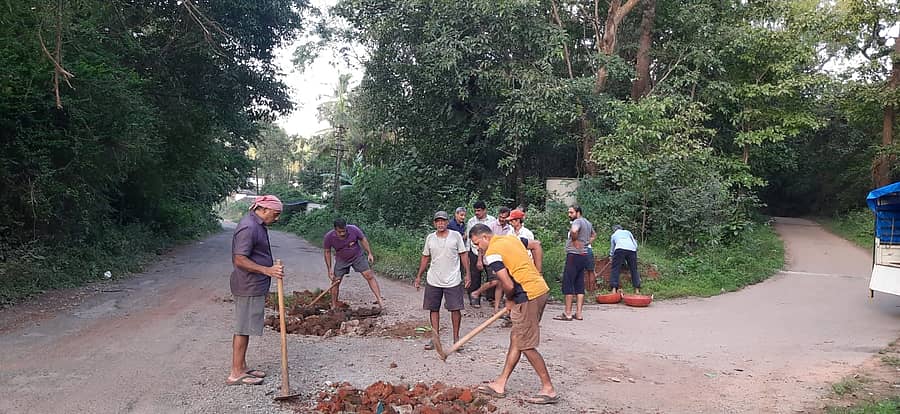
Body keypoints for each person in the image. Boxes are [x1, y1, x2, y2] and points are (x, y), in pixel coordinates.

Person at [469, 224, 558, 405]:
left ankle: (548, 389)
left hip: (527, 296)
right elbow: (537, 245)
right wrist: (538, 272)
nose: (478, 248)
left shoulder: (492, 253)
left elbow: (508, 285)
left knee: (525, 344)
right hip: (539, 290)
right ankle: (500, 384)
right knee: (517, 338)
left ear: (485, 237)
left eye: (477, 243)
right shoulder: (511, 238)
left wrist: (510, 299)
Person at [227, 195, 285, 386]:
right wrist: (267, 270)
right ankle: (236, 373)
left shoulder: (257, 224)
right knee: (243, 328)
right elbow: (239, 259)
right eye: (275, 214)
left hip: (254, 284)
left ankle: (242, 366)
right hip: (248, 284)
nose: (276, 219)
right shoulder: (249, 227)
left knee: (247, 327)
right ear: (264, 209)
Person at [413, 211, 471, 350]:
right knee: (433, 309)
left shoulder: (455, 236)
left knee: (455, 309)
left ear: (447, 222)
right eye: (437, 221)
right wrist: (419, 276)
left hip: (453, 279)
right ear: (434, 223)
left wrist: (468, 273)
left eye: (443, 221)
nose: (440, 223)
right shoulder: (430, 238)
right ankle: (435, 338)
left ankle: (456, 339)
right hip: (434, 279)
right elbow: (425, 257)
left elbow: (463, 255)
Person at [323, 218, 384, 309]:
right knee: (336, 281)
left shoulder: (353, 229)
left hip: (357, 256)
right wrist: (329, 269)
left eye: (344, 231)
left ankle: (380, 300)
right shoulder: (329, 237)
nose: (342, 233)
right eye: (340, 232)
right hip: (341, 259)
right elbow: (327, 252)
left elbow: (363, 239)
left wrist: (369, 253)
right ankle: (334, 305)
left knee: (369, 275)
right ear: (335, 229)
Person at [554, 205, 595, 321]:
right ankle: (579, 313)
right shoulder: (588, 223)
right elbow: (594, 235)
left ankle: (567, 313)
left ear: (578, 212)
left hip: (573, 255)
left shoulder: (577, 222)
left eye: (571, 212)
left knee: (568, 282)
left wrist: (575, 240)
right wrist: (586, 243)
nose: (569, 215)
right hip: (583, 255)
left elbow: (574, 230)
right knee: (579, 283)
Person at [465, 201, 495, 308]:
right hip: (474, 251)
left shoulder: (492, 221)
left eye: (479, 210)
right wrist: (468, 252)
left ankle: (491, 297)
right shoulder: (471, 221)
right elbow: (469, 240)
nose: (477, 213)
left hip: (489, 252)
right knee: (475, 276)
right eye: (475, 211)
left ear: (484, 210)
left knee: (492, 275)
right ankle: (474, 298)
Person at [609, 224, 641, 294]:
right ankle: (637, 289)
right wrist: (635, 250)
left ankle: (614, 289)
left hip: (620, 249)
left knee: (615, 268)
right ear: (621, 229)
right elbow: (634, 243)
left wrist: (611, 256)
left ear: (614, 230)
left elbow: (612, 248)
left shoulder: (614, 235)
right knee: (634, 269)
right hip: (632, 249)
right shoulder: (628, 232)